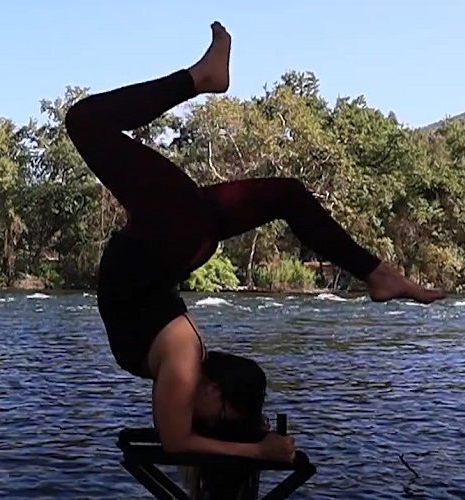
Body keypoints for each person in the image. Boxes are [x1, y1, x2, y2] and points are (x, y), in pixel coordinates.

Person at [65, 21, 445, 464]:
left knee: (87, 122)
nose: (204, 405)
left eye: (217, 415)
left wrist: (257, 448)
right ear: (218, 391)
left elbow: (176, 442)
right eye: (218, 407)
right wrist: (258, 447)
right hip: (170, 236)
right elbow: (179, 440)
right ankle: (378, 275)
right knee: (285, 195)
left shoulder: (181, 363)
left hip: (170, 236)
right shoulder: (184, 360)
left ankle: (201, 78)